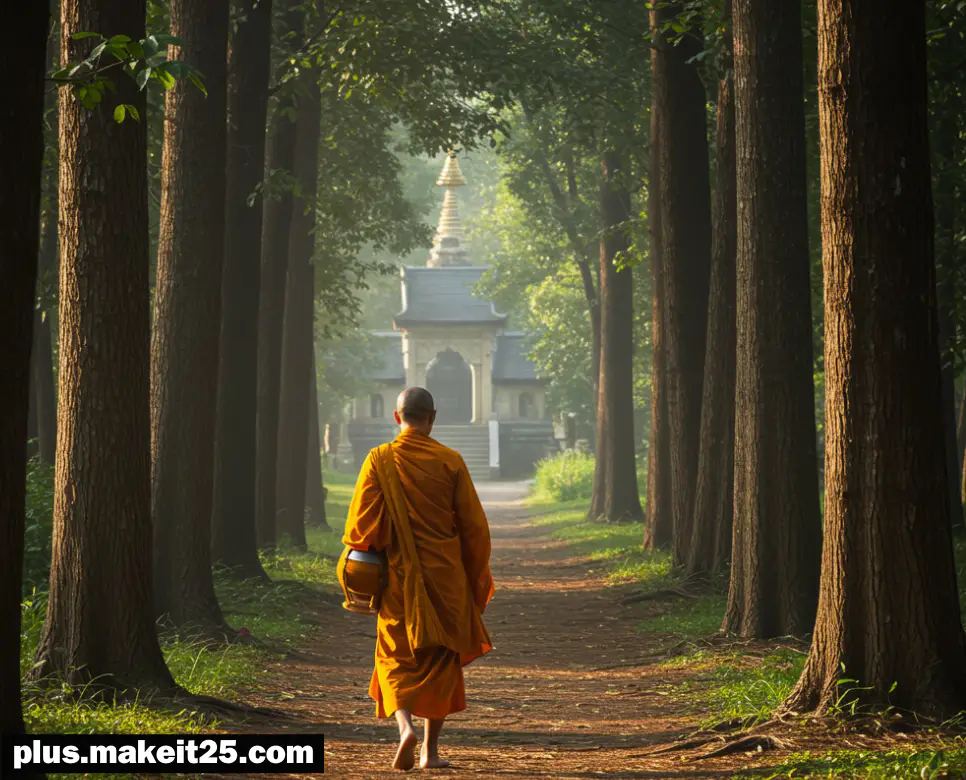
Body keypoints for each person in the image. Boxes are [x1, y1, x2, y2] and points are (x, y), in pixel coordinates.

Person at [343, 387, 495, 771]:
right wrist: (476, 578)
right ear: (432, 417)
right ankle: (430, 751)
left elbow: (361, 529)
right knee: (441, 659)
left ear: (397, 418)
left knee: (394, 654)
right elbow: (474, 528)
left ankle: (404, 727)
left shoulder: (379, 459)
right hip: (447, 578)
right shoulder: (450, 461)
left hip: (397, 578)